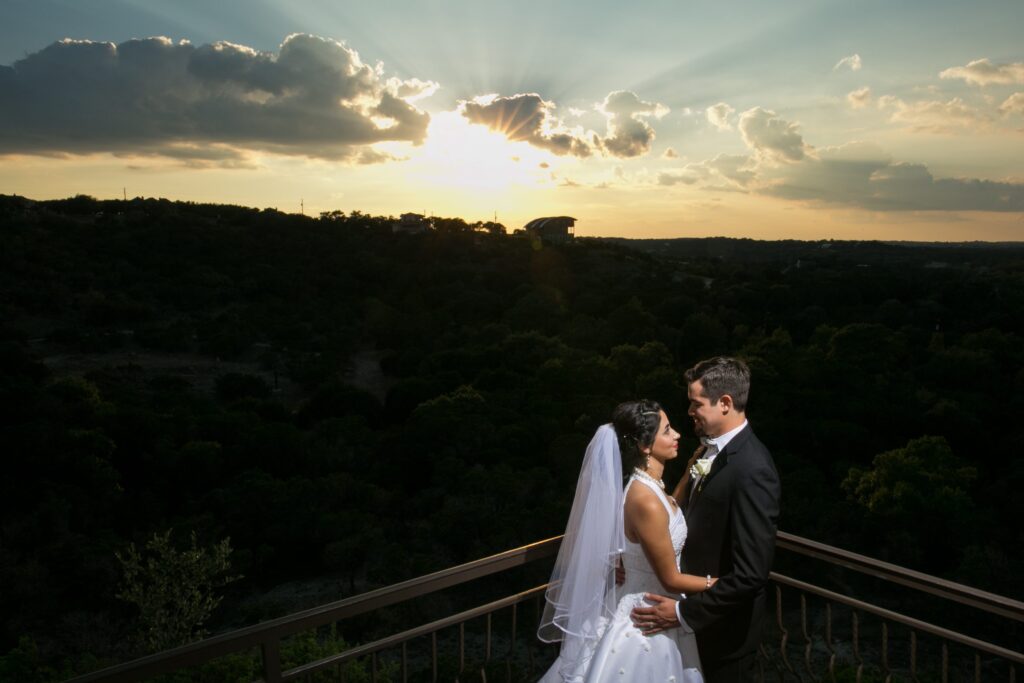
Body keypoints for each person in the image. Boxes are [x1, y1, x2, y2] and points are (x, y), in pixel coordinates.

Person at [538, 400, 716, 683]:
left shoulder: (648, 486)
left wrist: (687, 476)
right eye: (667, 431)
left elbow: (667, 511)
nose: (677, 435)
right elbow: (670, 579)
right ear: (645, 446)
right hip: (647, 616)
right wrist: (720, 584)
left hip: (645, 599)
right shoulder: (644, 500)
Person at [631, 357, 781, 683]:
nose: (689, 412)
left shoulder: (753, 469)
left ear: (725, 403)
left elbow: (751, 575)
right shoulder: (705, 453)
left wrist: (684, 613)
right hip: (694, 621)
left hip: (724, 634)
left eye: (695, 403)